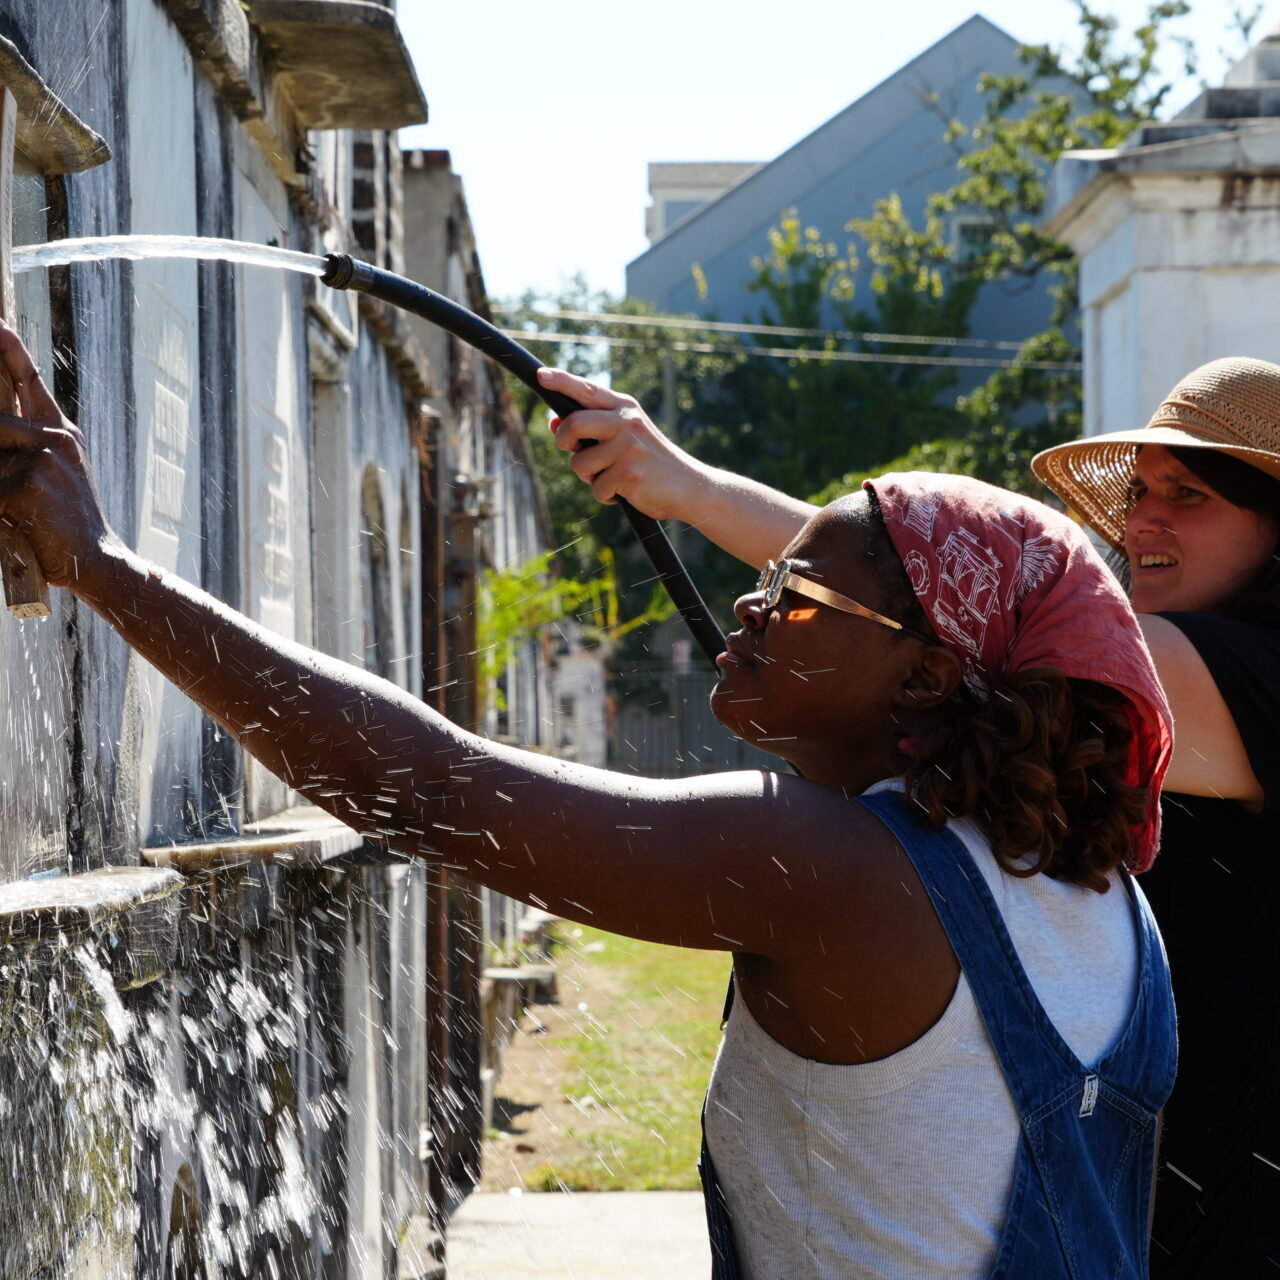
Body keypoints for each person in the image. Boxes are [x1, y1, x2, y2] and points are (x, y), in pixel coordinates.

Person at [0, 323, 1176, 1280]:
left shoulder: (836, 866)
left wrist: (100, 561)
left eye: (798, 588)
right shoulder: (1106, 902)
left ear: (925, 675)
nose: (754, 604)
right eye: (764, 576)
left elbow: (420, 784)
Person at [541, 356, 1280, 1277]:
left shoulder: (1259, 677)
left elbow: (942, 610)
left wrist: (691, 490)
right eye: (1141, 492)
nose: (1144, 519)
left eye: (1193, 494)